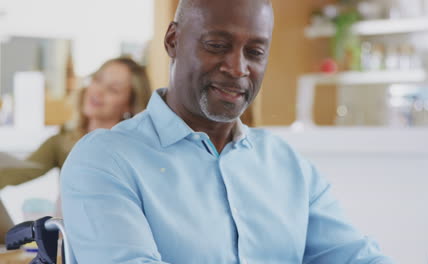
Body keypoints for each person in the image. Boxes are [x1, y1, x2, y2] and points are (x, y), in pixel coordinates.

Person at [61, 1, 394, 263]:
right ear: (173, 40)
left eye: (255, 52)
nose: (237, 68)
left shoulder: (288, 165)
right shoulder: (105, 160)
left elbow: (355, 257)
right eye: (217, 45)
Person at [0, 57, 152, 189]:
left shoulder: (136, 153)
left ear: (130, 105)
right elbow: (16, 173)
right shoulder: (62, 142)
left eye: (113, 89)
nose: (98, 91)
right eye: (97, 80)